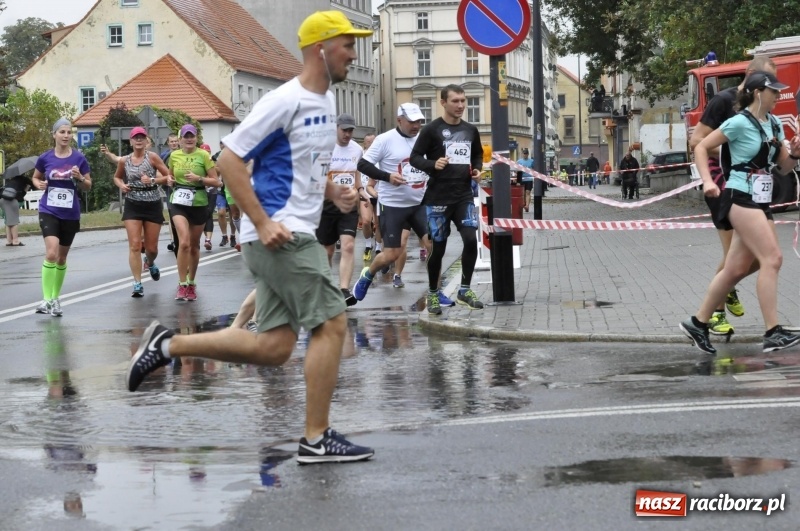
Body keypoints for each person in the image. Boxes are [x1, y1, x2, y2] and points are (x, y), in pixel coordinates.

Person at [126, 10, 375, 464]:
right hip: (280, 235)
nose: (353, 54)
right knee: (333, 323)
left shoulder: (324, 104)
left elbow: (297, 169)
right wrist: (261, 223)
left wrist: (332, 191)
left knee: (275, 347)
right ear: (321, 48)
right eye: (347, 44)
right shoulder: (285, 100)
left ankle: (166, 344)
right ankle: (316, 438)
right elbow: (229, 160)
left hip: (289, 228)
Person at [680, 71, 800, 355]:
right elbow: (701, 146)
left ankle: (697, 323)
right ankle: (772, 332)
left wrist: (794, 154)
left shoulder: (772, 124)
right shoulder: (738, 122)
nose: (778, 96)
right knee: (772, 258)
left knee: (735, 268)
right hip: (739, 196)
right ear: (759, 92)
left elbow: (783, 168)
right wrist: (708, 182)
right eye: (774, 91)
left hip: (759, 199)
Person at [688, 57, 777, 336]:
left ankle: (715, 301)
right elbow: (697, 142)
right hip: (723, 183)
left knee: (741, 263)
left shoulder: (770, 120)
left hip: (756, 189)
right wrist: (737, 154)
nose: (775, 91)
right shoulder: (724, 102)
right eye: (769, 83)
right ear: (752, 78)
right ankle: (714, 314)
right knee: (745, 259)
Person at [408, 84, 484, 314]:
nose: (461, 105)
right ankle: (432, 294)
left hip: (463, 194)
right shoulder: (432, 130)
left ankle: (464, 290)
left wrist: (477, 169)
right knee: (438, 248)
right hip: (438, 197)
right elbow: (414, 158)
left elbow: (477, 153)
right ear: (443, 102)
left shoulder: (471, 130)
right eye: (455, 101)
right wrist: (433, 164)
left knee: (471, 240)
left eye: (463, 100)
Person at [353, 102, 436, 297]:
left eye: (419, 122)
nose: (416, 126)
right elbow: (362, 165)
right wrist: (387, 177)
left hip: (419, 203)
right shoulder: (384, 140)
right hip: (393, 205)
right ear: (399, 120)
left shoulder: (424, 139)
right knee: (392, 254)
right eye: (412, 122)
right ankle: (368, 274)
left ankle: (435, 291)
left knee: (433, 246)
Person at [32, 118, 92, 316]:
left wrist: (80, 178)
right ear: (54, 134)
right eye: (62, 132)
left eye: (69, 132)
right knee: (51, 253)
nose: (66, 136)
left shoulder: (79, 158)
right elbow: (36, 176)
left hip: (70, 212)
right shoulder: (45, 157)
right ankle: (46, 299)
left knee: (62, 257)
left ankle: (55, 298)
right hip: (49, 210)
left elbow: (88, 185)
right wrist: (38, 184)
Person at [316, 113, 367, 307]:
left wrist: (361, 191)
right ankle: (327, 288)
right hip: (326, 205)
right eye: (344, 130)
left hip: (348, 203)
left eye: (350, 130)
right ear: (335, 129)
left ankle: (344, 290)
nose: (347, 134)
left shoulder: (357, 149)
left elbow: (356, 176)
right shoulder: (324, 148)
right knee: (327, 251)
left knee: (348, 245)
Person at [113, 127, 170, 297]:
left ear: (146, 141)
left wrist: (152, 179)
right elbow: (116, 177)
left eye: (142, 138)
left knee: (151, 248)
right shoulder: (124, 160)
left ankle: (150, 262)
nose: (139, 141)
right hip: (133, 204)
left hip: (152, 204)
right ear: (130, 141)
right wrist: (121, 185)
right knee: (135, 245)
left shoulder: (152, 157)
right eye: (135, 138)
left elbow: (169, 177)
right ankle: (137, 283)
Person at [167, 124, 221, 301]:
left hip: (198, 201)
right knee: (183, 243)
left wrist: (199, 178)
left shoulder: (204, 155)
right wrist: (169, 179)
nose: (189, 139)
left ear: (196, 138)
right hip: (179, 202)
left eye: (192, 136)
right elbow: (170, 176)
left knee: (194, 245)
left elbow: (216, 182)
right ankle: (182, 284)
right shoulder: (174, 155)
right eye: (186, 136)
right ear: (180, 139)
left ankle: (191, 283)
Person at [212, 142, 237, 248]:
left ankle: (232, 236)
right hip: (220, 189)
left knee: (233, 214)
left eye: (225, 144)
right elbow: (214, 170)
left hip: (231, 188)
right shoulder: (217, 155)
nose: (223, 146)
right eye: (221, 144)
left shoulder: (235, 154)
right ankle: (224, 236)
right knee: (221, 213)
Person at [198, 143, 221, 251]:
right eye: (204, 152)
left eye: (208, 152)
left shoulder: (213, 163)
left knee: (209, 213)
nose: (206, 154)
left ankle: (208, 239)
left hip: (212, 191)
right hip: (201, 192)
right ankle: (204, 238)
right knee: (202, 215)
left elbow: (217, 174)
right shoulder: (198, 163)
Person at [359, 133, 378, 260]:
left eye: (373, 141)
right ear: (364, 143)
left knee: (379, 224)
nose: (370, 144)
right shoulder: (360, 156)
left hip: (379, 193)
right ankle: (368, 245)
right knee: (366, 221)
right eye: (368, 142)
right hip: (365, 194)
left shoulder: (381, 154)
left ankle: (379, 245)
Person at [2, 171, 34, 246]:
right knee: (14, 221)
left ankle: (9, 241)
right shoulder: (24, 179)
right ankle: (15, 241)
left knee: (8, 221)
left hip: (2, 200)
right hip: (12, 200)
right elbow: (34, 185)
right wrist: (27, 188)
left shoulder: (11, 180)